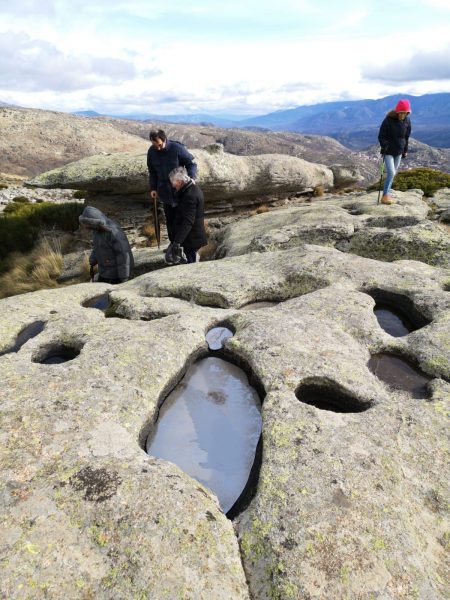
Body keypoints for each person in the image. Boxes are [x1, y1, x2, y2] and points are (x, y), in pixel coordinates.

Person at [147, 129, 198, 243]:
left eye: (159, 145)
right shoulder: (151, 151)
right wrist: (153, 188)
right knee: (170, 221)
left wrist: (192, 178)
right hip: (164, 193)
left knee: (182, 220)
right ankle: (173, 246)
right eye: (155, 146)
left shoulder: (177, 148)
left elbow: (191, 163)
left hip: (180, 192)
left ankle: (184, 245)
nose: (158, 148)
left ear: (164, 139)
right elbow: (152, 171)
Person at [79, 206, 134, 283]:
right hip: (104, 272)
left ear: (94, 222)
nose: (87, 227)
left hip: (115, 275)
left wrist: (124, 277)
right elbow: (97, 246)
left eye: (88, 224)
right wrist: (93, 259)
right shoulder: (97, 231)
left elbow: (123, 255)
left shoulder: (113, 232)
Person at [164, 166, 207, 265]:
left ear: (179, 182)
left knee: (192, 266)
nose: (173, 186)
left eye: (173, 183)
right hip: (191, 237)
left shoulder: (190, 196)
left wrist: (177, 242)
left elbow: (188, 221)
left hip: (192, 239)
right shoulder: (192, 189)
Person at [378, 99, 412, 205]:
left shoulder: (407, 121)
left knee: (393, 174)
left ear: (407, 112)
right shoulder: (388, 120)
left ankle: (387, 192)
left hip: (399, 151)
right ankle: (385, 195)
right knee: (391, 172)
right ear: (397, 112)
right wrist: (385, 146)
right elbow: (381, 136)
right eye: (401, 113)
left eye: (404, 113)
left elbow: (406, 137)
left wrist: (405, 150)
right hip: (388, 151)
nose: (402, 115)